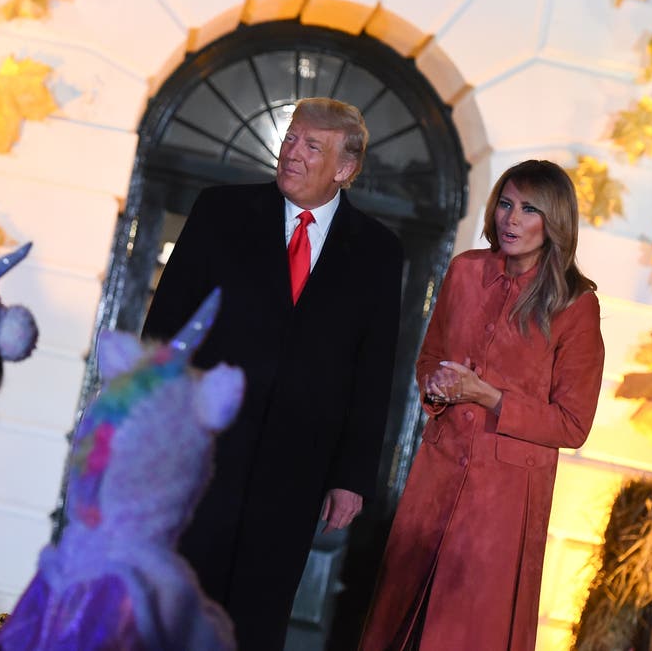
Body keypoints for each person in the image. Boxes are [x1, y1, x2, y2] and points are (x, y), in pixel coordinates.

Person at [141, 97, 403, 649]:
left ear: (345, 168)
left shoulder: (379, 253)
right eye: (291, 139)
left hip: (296, 467)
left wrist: (352, 476)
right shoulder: (220, 211)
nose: (292, 154)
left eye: (312, 146)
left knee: (255, 620)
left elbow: (373, 370)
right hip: (199, 448)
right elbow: (166, 328)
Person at [359, 160, 606, 650]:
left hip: (504, 503)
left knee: (465, 631)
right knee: (398, 619)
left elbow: (573, 424)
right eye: (507, 205)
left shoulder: (576, 304)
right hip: (437, 475)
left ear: (553, 223)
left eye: (529, 209)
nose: (511, 220)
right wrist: (436, 387)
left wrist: (487, 396)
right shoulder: (465, 271)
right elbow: (430, 356)